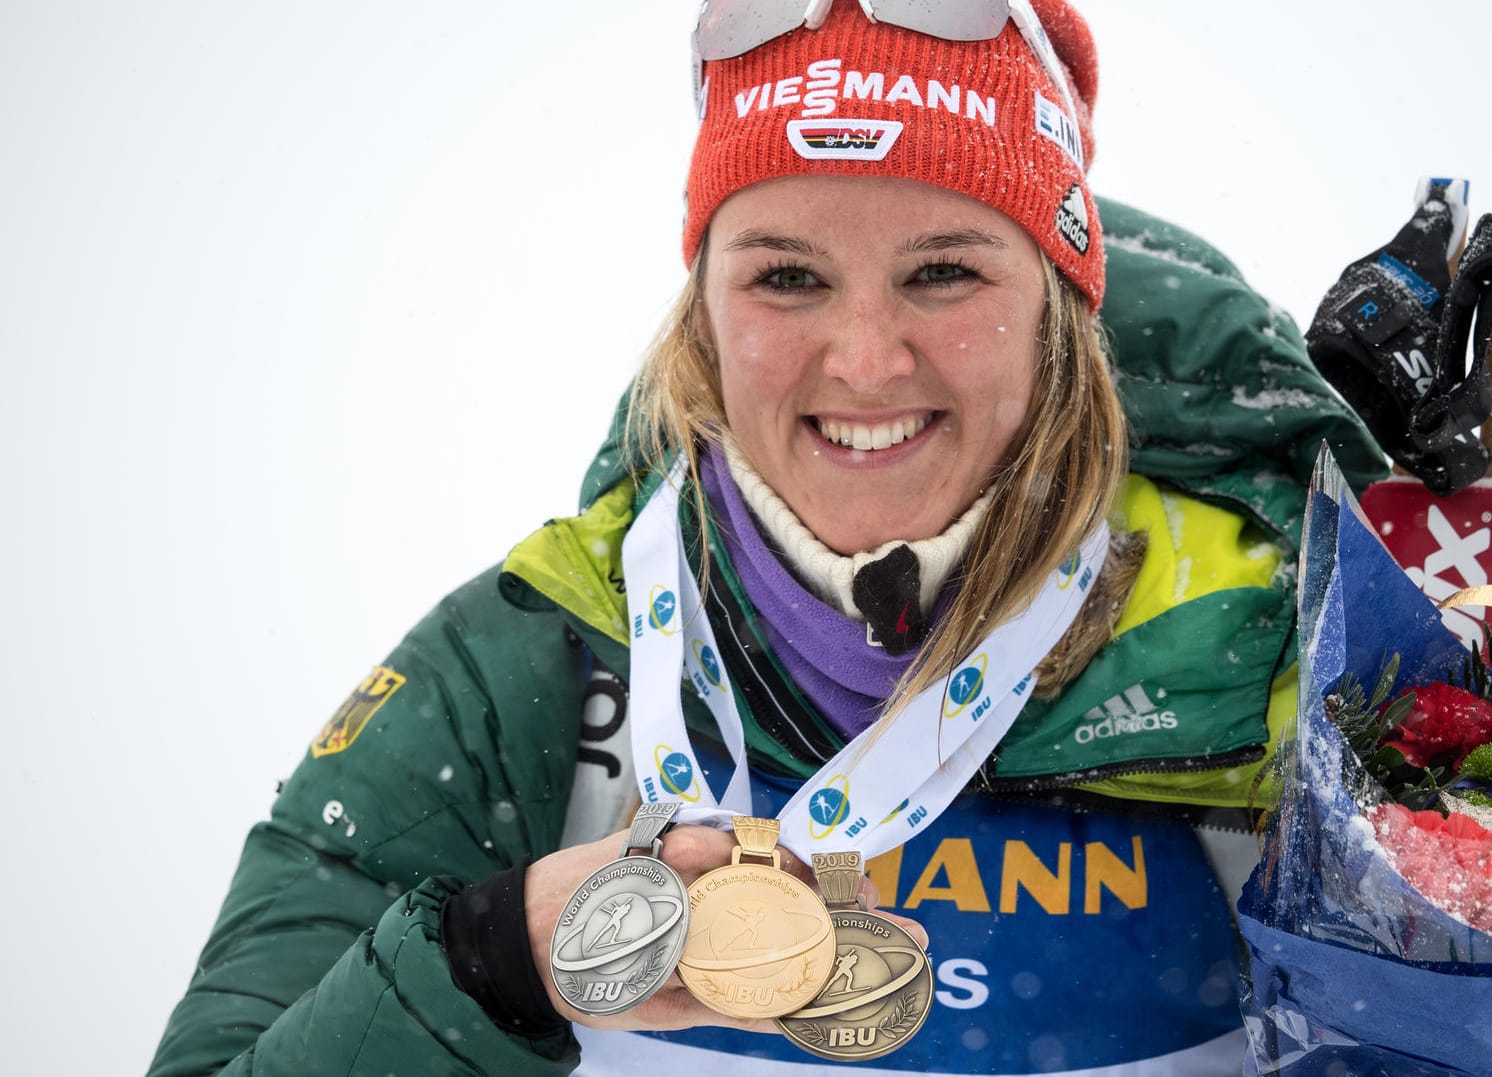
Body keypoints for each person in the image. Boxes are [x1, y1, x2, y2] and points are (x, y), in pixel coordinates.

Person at [148, 2, 1384, 1074]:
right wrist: (492, 964)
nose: (864, 360)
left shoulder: (1291, 653)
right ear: (704, 314)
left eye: (945, 273)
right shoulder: (532, 659)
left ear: (1061, 311)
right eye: (787, 278)